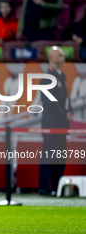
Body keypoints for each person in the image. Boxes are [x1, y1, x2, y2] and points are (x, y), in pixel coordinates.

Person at [39, 46, 73, 196]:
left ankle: (57, 187)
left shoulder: (62, 75)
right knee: (49, 156)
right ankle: (44, 187)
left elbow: (66, 98)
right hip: (51, 124)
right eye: (59, 55)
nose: (63, 57)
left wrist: (69, 110)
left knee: (60, 157)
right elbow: (49, 102)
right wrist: (64, 114)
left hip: (61, 125)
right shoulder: (47, 78)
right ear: (52, 57)